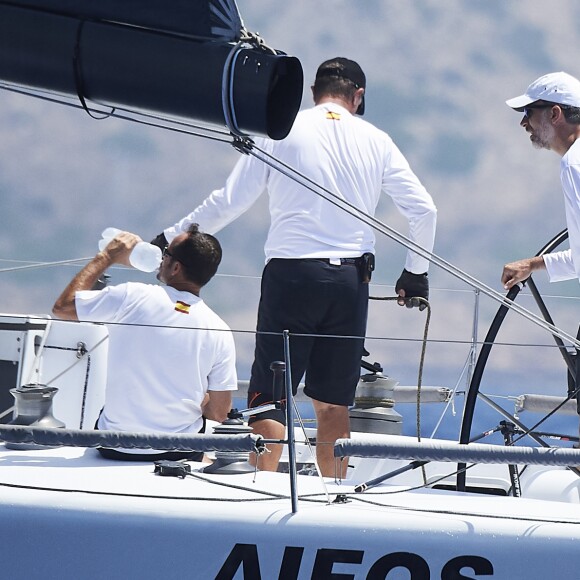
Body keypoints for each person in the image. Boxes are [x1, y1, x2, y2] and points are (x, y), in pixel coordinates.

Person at [152, 57, 437, 477]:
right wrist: (415, 274)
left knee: (271, 396)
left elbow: (228, 202)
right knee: (332, 401)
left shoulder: (281, 129)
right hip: (349, 281)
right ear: (358, 97)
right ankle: (333, 495)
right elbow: (424, 210)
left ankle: (261, 490)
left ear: (313, 93)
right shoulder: (378, 140)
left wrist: (169, 238)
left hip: (291, 277)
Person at [52, 225, 237, 461]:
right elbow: (220, 413)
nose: (160, 256)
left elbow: (63, 307)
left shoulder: (132, 296)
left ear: (176, 267)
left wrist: (107, 257)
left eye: (167, 252)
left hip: (114, 446)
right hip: (179, 450)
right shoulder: (220, 329)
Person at [501, 72, 580, 290]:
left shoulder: (574, 163)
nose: (523, 122)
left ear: (555, 114)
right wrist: (532, 265)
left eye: (529, 112)